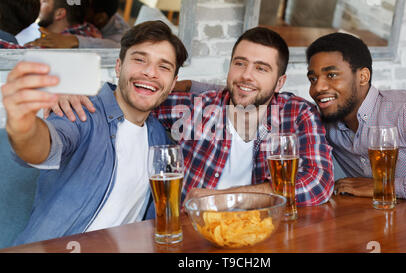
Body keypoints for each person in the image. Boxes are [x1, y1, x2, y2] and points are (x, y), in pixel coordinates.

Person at [48, 27, 335, 208]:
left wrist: (223, 197)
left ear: (280, 82)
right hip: (192, 234)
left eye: (261, 68)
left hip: (260, 231)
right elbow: (135, 97)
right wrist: (77, 92)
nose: (246, 75)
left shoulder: (297, 113)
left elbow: (318, 184)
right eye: (240, 63)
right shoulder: (195, 108)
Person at [1, 20, 188, 245]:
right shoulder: (81, 112)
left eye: (164, 67)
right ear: (119, 66)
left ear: (172, 83)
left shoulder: (158, 136)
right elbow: (43, 146)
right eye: (139, 59)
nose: (150, 72)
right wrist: (23, 125)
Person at [305, 32, 406, 203]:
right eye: (313, 79)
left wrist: (384, 186)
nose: (317, 88)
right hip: (380, 221)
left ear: (363, 77)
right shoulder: (321, 124)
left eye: (331, 75)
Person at [29, 0, 129, 48]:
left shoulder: (121, 34)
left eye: (85, 6)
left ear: (100, 19)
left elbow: (119, 50)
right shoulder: (90, 28)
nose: (77, 5)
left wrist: (74, 40)